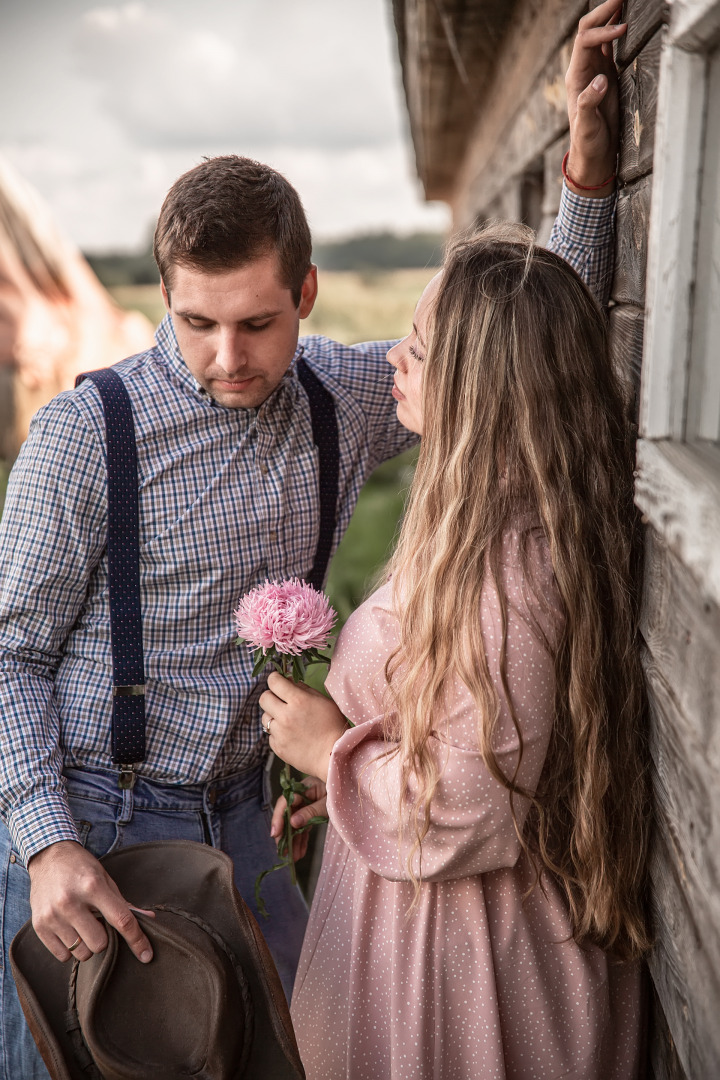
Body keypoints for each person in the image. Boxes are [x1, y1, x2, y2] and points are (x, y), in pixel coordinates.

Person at [0, 4, 623, 1076]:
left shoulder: (345, 395)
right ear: (167, 296)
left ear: (306, 294)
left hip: (252, 805)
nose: (228, 357)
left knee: (278, 1052)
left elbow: (516, 351)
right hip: (98, 808)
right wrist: (48, 840)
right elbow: (9, 651)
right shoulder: (81, 437)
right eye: (197, 323)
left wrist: (588, 179)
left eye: (257, 323)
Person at [260, 178, 649, 1080]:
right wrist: (354, 777)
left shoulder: (506, 579)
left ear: (479, 389)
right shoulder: (481, 520)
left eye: (423, 350)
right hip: (424, 929)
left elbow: (471, 809)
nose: (397, 356)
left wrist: (330, 756)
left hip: (465, 965)